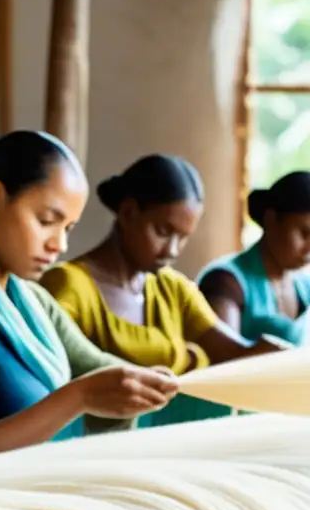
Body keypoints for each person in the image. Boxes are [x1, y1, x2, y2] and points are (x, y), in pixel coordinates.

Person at [0, 131, 179, 462]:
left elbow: (95, 367)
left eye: (67, 228)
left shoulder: (31, 300)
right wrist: (79, 397)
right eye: (46, 221)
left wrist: (165, 384)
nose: (60, 245)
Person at [41, 155, 287, 426]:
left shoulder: (172, 288)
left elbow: (230, 353)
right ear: (128, 213)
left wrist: (281, 356)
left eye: (182, 238)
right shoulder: (69, 285)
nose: (172, 250)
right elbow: (54, 378)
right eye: (162, 231)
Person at [198, 171, 310, 347]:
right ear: (271, 219)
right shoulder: (226, 282)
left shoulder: (304, 287)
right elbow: (223, 360)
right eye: (304, 233)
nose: (309, 248)